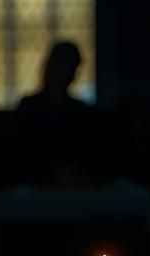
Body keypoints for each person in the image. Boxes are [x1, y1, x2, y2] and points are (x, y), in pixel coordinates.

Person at [15, 41, 94, 185]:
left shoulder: (80, 111)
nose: (68, 73)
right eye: (63, 65)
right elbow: (21, 153)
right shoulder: (29, 107)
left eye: (72, 68)